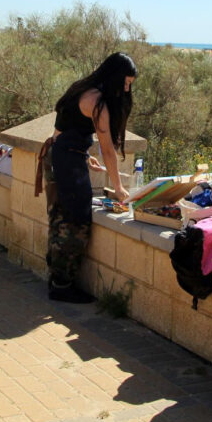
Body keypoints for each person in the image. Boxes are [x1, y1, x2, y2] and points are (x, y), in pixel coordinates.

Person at [47, 52, 137, 303]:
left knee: (60, 217)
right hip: (67, 162)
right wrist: (118, 187)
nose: (127, 89)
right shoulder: (95, 101)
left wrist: (84, 157)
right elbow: (107, 149)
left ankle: (57, 280)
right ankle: (62, 285)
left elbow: (60, 132)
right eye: (126, 82)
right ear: (115, 77)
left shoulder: (82, 88)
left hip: (62, 156)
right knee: (75, 220)